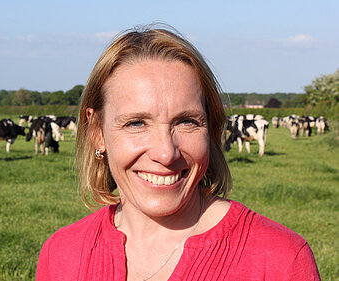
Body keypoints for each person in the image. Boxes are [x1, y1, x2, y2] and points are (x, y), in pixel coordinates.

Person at [36, 24, 320, 281]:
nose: (165, 153)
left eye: (186, 121)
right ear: (98, 133)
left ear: (211, 129)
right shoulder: (60, 254)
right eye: (136, 123)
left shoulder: (281, 261)